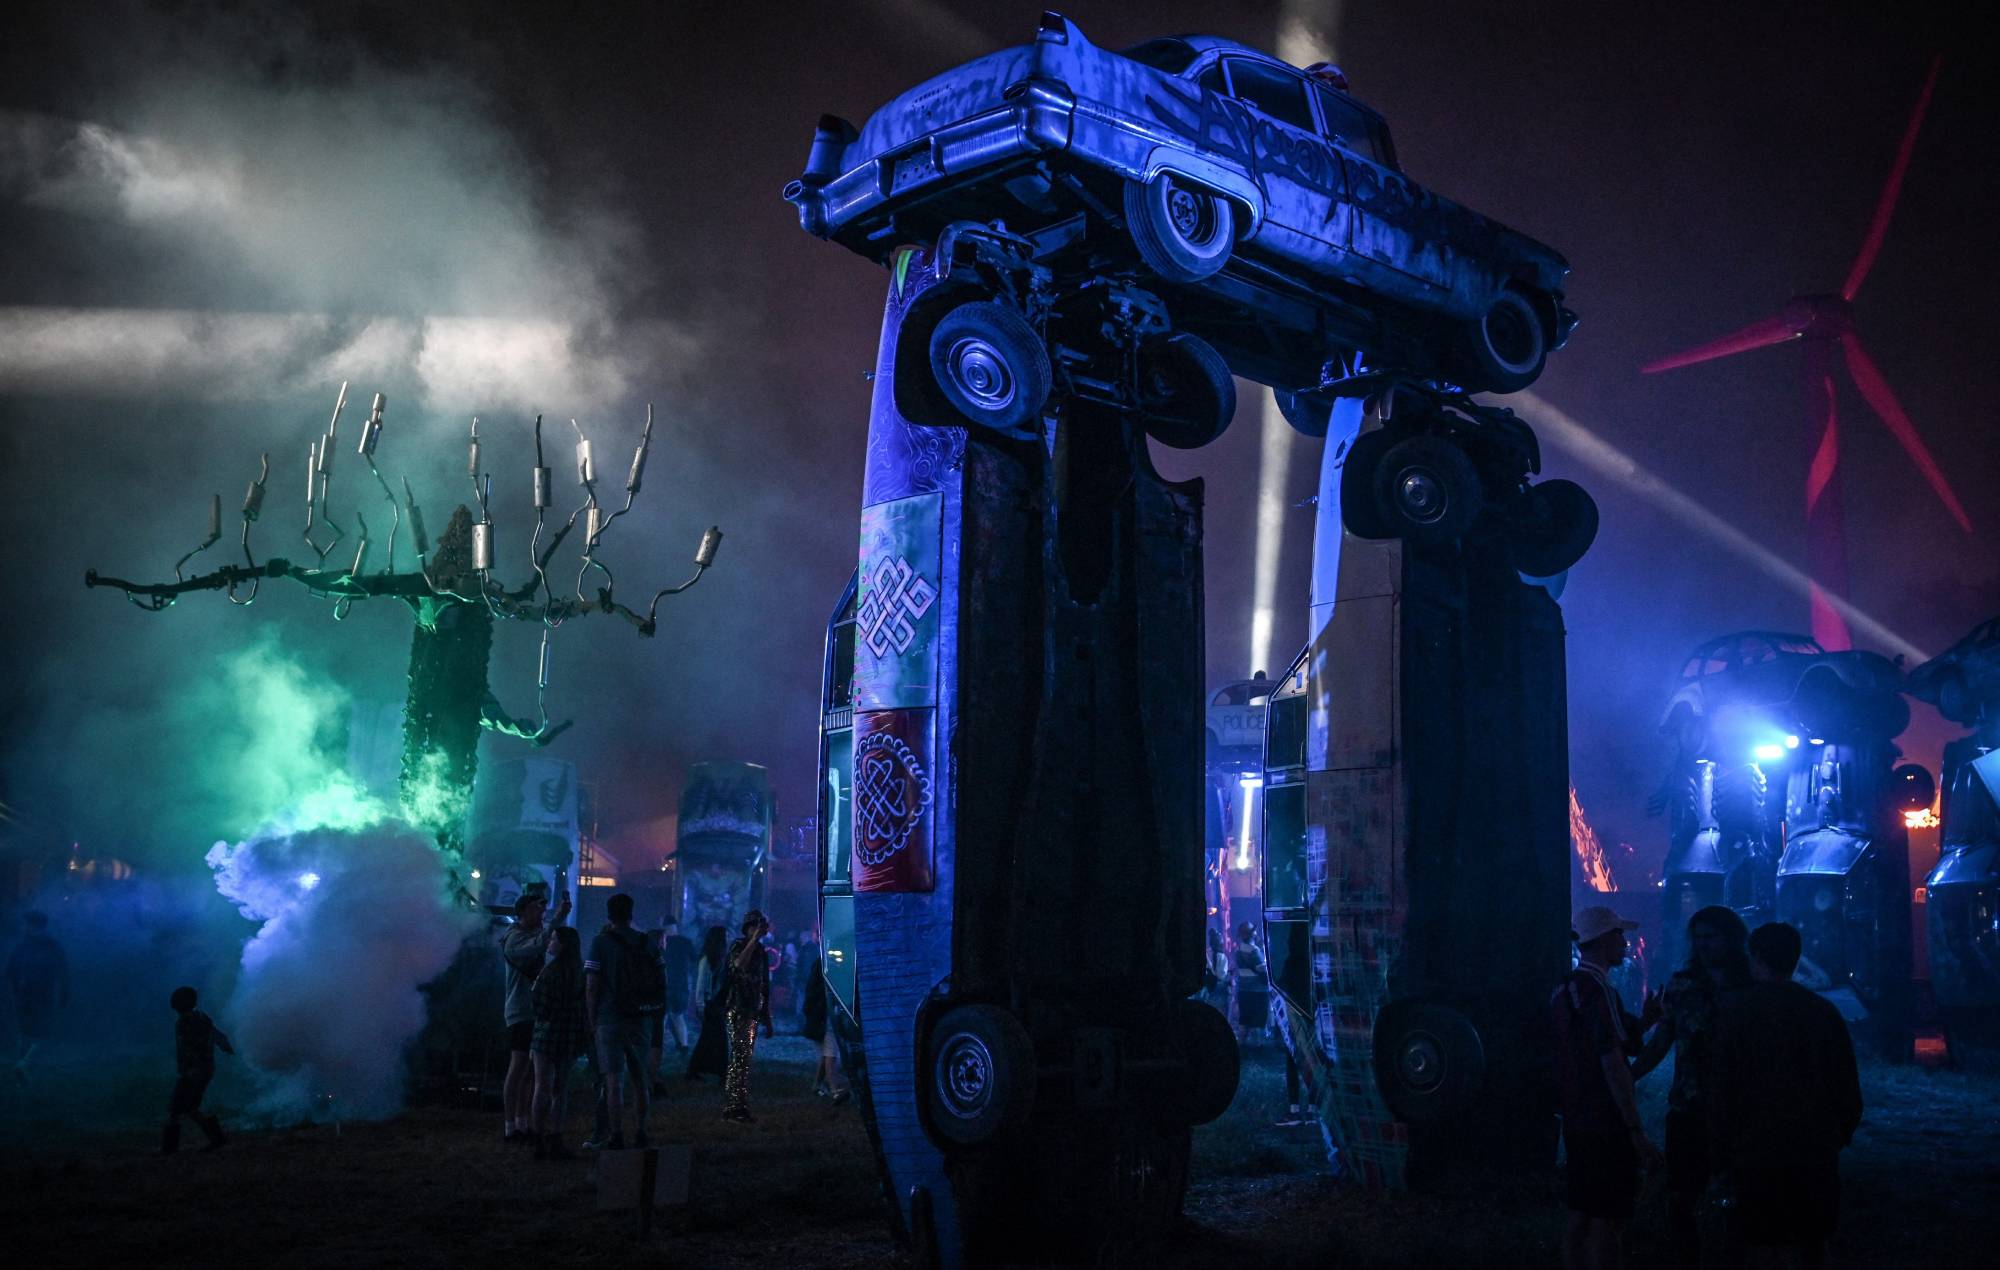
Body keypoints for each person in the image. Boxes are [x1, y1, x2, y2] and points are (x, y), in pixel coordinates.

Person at [1712, 922, 1862, 1269]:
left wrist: (1721, 1148)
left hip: (1756, 1150)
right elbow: (1845, 1084)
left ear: (1756, 957)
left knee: (1763, 1243)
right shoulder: (1823, 1013)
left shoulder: (1738, 1013)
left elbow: (1722, 1086)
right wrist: (1837, 1134)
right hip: (1814, 1148)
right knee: (1812, 1242)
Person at [1630, 905, 1752, 1270]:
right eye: (1697, 939)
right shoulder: (1684, 985)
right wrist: (1629, 1075)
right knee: (1681, 1197)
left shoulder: (1750, 988)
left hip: (1738, 1108)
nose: (1702, 946)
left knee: (1738, 1196)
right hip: (1689, 1105)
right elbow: (1662, 1040)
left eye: (1710, 938)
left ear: (1730, 939)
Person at [1552, 905, 1663, 1270]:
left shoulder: (1566, 989)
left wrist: (1644, 1021)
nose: (1625, 942)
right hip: (1604, 1120)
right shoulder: (1599, 989)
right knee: (1606, 1219)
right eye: (1618, 935)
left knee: (1580, 1212)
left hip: (1577, 1116)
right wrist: (1634, 1127)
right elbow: (1612, 1061)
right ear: (1602, 941)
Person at [585, 892, 664, 1150]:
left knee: (613, 1080)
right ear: (631, 914)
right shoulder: (647, 943)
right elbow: (661, 978)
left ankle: (616, 1135)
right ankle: (641, 1131)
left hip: (609, 1018)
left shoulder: (600, 942)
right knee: (640, 1077)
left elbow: (592, 985)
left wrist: (591, 1017)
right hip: (640, 1017)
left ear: (609, 915)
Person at [499, 882, 568, 1144]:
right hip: (520, 1011)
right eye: (536, 908)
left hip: (535, 1010)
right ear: (523, 912)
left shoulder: (533, 932)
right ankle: (509, 1127)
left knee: (529, 1070)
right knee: (518, 1067)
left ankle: (522, 1123)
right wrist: (557, 920)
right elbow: (537, 947)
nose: (541, 912)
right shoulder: (513, 938)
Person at [529, 926, 587, 1159]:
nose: (550, 942)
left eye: (553, 939)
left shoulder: (549, 972)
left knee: (542, 1086)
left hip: (547, 1033)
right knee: (560, 1088)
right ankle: (557, 1136)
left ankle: (539, 1138)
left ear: (562, 945)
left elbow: (538, 1006)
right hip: (570, 1033)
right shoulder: (579, 972)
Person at [163, 986, 233, 1154]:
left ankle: (171, 1148)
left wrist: (191, 1068)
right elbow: (218, 1036)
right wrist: (225, 1047)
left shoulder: (186, 1021)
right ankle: (217, 1138)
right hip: (202, 1069)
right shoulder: (201, 1017)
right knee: (187, 1107)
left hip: (193, 1071)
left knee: (179, 1108)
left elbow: (191, 1047)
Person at [721, 909, 774, 1122]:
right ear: (748, 928)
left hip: (752, 1009)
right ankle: (734, 1107)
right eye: (755, 927)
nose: (759, 931)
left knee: (744, 1058)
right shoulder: (739, 945)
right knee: (739, 1057)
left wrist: (766, 1016)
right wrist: (752, 940)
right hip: (738, 1008)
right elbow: (739, 965)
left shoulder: (761, 950)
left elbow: (763, 984)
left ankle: (738, 1104)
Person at [6, 910, 69, 1075]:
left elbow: (11, 969)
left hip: (34, 992)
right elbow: (11, 969)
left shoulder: (31, 945)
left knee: (31, 1029)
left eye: (25, 924)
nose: (22, 927)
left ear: (32, 925)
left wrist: (64, 990)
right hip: (33, 993)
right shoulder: (47, 945)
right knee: (31, 1030)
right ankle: (22, 1064)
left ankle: (22, 1063)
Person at [800, 952, 851, 1103]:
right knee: (831, 1056)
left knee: (826, 1054)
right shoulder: (826, 967)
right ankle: (835, 1089)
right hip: (825, 1019)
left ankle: (817, 1085)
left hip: (822, 1018)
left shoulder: (821, 965)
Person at [683, 925, 729, 1081]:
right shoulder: (707, 959)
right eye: (725, 936)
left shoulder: (717, 958)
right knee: (718, 1039)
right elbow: (701, 985)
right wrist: (700, 1005)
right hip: (710, 1004)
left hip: (714, 1003)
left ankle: (696, 1070)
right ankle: (721, 1073)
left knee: (708, 1039)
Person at [659, 919, 696, 1055]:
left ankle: (658, 1048)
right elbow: (694, 961)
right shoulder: (686, 942)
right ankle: (684, 1046)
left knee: (661, 1018)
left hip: (663, 986)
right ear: (676, 927)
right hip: (681, 986)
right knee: (678, 1016)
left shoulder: (661, 943)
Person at [1233, 922, 1269, 1043]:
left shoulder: (1238, 950)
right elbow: (1261, 969)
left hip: (1243, 989)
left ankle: (1242, 1044)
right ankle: (1258, 1046)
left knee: (1244, 1018)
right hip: (1258, 990)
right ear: (1251, 934)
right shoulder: (1254, 950)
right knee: (1259, 1018)